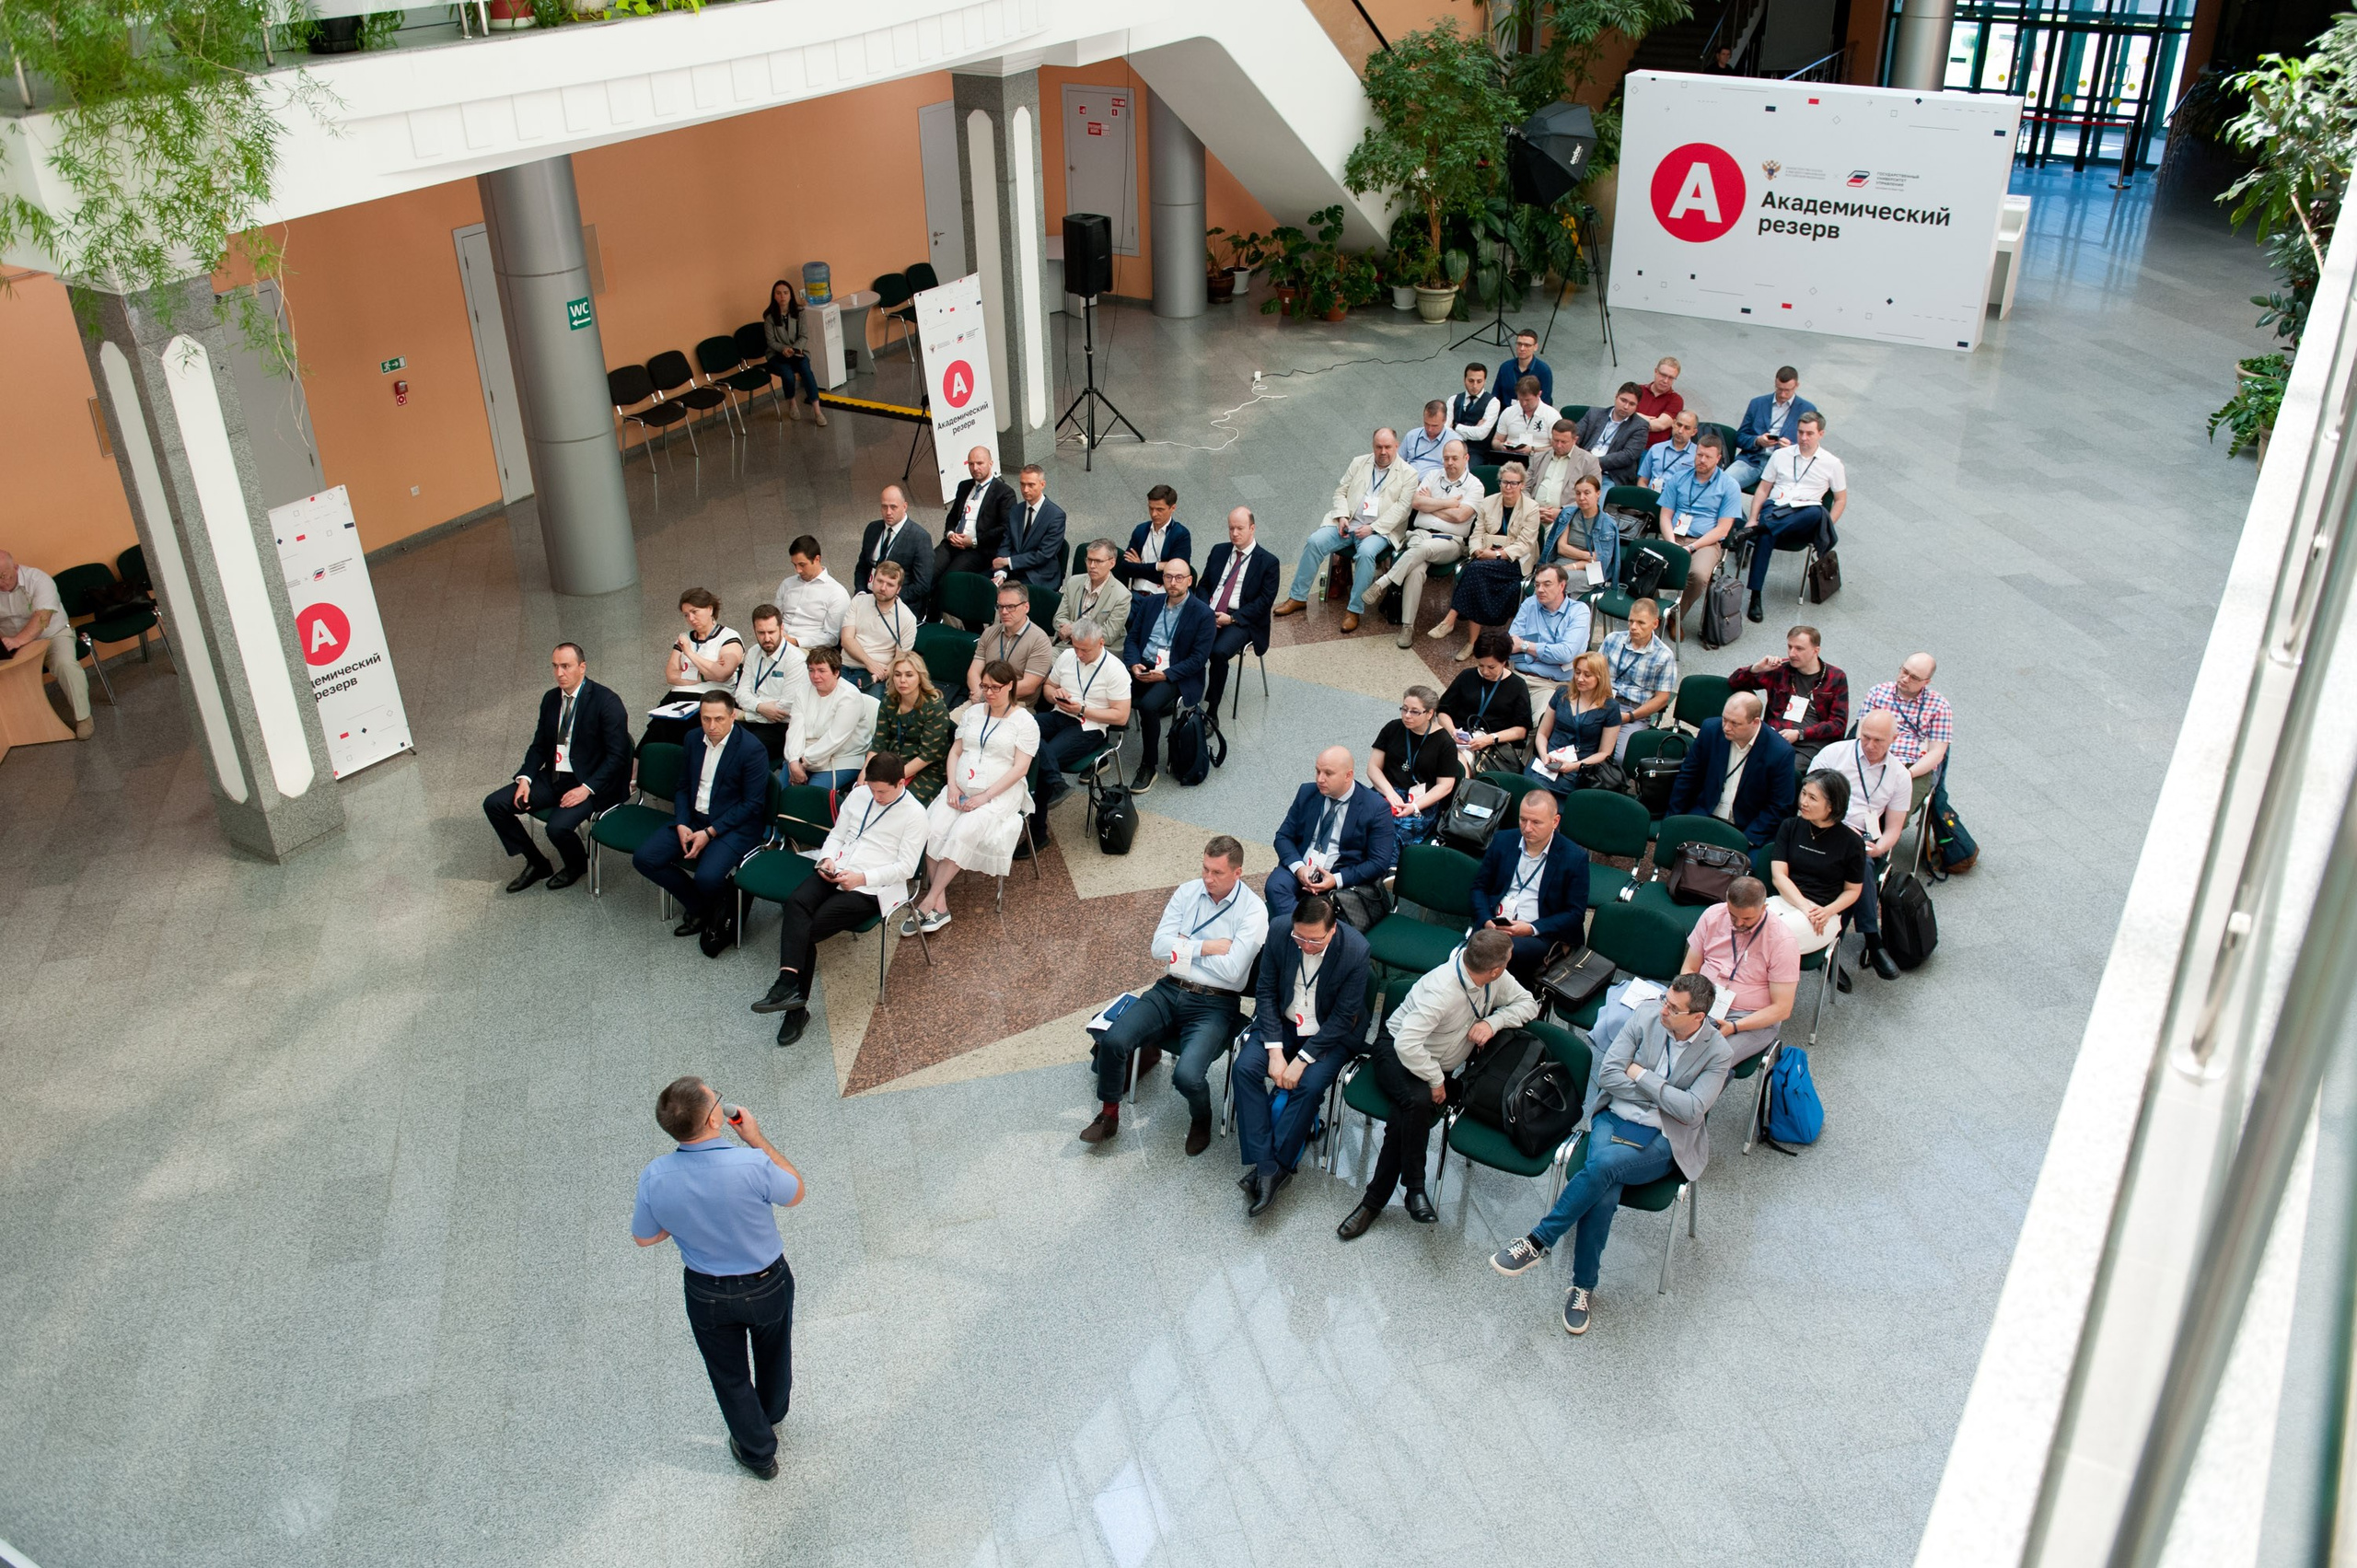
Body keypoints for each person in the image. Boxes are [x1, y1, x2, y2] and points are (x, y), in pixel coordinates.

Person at [1486, 973, 1730, 1338]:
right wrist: (1664, 1095)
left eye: (1674, 1009)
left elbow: (1692, 1111)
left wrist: (1642, 1076)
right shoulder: (1647, 1014)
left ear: (1698, 1017)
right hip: (1614, 1118)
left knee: (1603, 1166)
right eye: (1665, 1001)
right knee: (1604, 1190)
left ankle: (1538, 1242)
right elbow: (1609, 1075)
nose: (1664, 1010)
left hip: (1664, 1138)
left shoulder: (1718, 1053)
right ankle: (1582, 1287)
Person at [631, 1076, 807, 1481]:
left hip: (706, 1292)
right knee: (774, 1351)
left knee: (728, 1375)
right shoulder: (751, 1164)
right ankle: (772, 1412)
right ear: (714, 1120)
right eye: (717, 1100)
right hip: (768, 1282)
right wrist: (756, 1138)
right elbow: (795, 1192)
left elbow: (644, 1237)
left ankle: (759, 1454)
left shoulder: (655, 1176)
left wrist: (683, 1220)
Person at [1337, 927, 1539, 1237]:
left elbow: (1529, 1004)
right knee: (1417, 1100)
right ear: (1495, 968)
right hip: (1396, 1052)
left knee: (1405, 1117)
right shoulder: (1441, 990)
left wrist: (1493, 1021)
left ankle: (1375, 1202)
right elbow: (1407, 1044)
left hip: (1433, 1062)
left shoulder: (1495, 979)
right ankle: (1413, 1188)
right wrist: (1435, 1081)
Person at [1082, 837, 1269, 1153]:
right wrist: (1209, 947)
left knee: (1187, 1076)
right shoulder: (1187, 892)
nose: (1208, 878)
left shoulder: (1253, 911)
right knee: (1114, 1041)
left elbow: (1233, 971)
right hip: (1169, 990)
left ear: (1238, 873)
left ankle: (1202, 1118)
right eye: (1205, 868)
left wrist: (1182, 946)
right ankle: (1109, 1115)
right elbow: (1158, 947)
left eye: (1217, 872)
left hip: (1215, 1003)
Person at [750, 753, 929, 1046]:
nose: (876, 796)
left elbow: (906, 868)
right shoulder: (859, 795)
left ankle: (795, 1010)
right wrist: (828, 859)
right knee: (797, 903)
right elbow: (836, 835)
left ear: (901, 783)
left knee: (807, 928)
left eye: (882, 791)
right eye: (872, 789)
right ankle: (788, 982)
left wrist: (862, 878)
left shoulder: (915, 815)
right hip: (837, 870)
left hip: (872, 888)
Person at [1234, 895, 1372, 1214]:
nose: (1306, 946)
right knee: (1245, 1068)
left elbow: (1343, 1018)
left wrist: (1301, 1060)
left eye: (1315, 940)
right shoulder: (1280, 929)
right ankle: (1269, 1166)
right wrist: (1275, 1051)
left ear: (1332, 930)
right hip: (1282, 1024)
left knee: (1308, 1086)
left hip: (1330, 1033)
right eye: (1300, 937)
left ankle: (1275, 1166)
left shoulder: (1356, 949)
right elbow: (1265, 992)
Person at [1590, 876, 1796, 1063]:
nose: (1739, 923)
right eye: (1733, 916)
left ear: (1764, 908)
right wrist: (1688, 1003)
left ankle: (1672, 1092)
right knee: (1648, 1033)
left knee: (1704, 1061)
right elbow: (1690, 966)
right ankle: (1637, 1082)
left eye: (1748, 919)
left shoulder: (1782, 941)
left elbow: (1782, 1008)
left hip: (1747, 1018)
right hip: (1701, 1000)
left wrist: (1735, 1027)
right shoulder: (1714, 915)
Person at [903, 660, 1039, 932]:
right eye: (984, 686)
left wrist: (985, 797)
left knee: (962, 832)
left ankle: (928, 902)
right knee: (933, 828)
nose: (988, 692)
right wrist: (953, 786)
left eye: (995, 687)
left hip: (999, 794)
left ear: (1010, 686)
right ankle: (941, 905)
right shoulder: (974, 713)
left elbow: (1020, 768)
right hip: (961, 788)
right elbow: (955, 751)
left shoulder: (1025, 721)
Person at [484, 640, 632, 891]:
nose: (559, 673)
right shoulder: (551, 699)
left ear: (582, 667)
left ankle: (576, 865)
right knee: (494, 804)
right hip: (555, 776)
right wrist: (525, 779)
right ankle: (537, 863)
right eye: (555, 666)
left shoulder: (607, 702)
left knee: (557, 827)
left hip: (590, 781)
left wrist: (586, 788)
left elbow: (617, 757)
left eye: (566, 666)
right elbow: (540, 745)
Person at [633, 691, 771, 954]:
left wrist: (709, 832)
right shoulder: (693, 738)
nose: (712, 726)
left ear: (733, 716)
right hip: (694, 818)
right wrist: (683, 823)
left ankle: (715, 907)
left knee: (707, 878)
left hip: (732, 826)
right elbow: (684, 786)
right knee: (645, 859)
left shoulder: (752, 750)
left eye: (719, 719)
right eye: (706, 719)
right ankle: (701, 908)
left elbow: (752, 805)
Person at [1271, 428, 1417, 633]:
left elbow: (1402, 510)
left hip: (1380, 530)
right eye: (1378, 447)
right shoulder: (1359, 462)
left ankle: (1354, 610)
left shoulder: (1409, 474)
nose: (1383, 452)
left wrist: (1373, 528)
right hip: (1350, 523)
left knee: (1365, 553)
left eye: (1388, 447)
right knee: (1314, 541)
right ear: (1373, 446)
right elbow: (1341, 491)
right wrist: (1342, 516)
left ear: (1397, 446)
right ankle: (1298, 597)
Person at [1814, 710, 1910, 981]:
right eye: (1865, 737)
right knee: (1861, 863)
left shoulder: (1900, 776)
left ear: (1894, 739)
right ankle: (1873, 940)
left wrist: (1880, 848)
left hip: (1865, 842)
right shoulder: (1834, 755)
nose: (1870, 745)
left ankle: (1830, 951)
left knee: (1861, 861)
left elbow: (1893, 829)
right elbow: (1809, 803)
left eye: (1879, 740)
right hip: (1824, 830)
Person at [1469, 790, 1591, 986]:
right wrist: (1486, 920)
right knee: (1484, 949)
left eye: (1536, 822)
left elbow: (1575, 913)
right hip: (1495, 922)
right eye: (1523, 820)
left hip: (1540, 932)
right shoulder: (1503, 841)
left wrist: (1531, 928)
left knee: (1498, 953)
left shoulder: (1574, 857)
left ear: (1555, 821)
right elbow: (1479, 888)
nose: (1527, 828)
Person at [1266, 745, 1399, 923]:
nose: (1320, 779)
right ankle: (1304, 931)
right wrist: (1299, 869)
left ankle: (1297, 930)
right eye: (1318, 771)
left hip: (1339, 875)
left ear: (1348, 775)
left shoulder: (1376, 807)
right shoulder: (1307, 792)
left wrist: (1335, 880)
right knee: (1275, 886)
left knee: (1321, 908)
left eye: (1328, 773)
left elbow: (1378, 862)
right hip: (1303, 866)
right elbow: (1283, 836)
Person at [1736, 410, 1849, 619]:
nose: (1804, 438)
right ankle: (1756, 597)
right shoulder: (1781, 455)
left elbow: (1840, 499)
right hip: (1777, 507)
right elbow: (1763, 489)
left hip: (1806, 515)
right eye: (1800, 432)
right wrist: (1752, 518)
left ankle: (1758, 529)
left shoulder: (1832, 463)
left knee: (1816, 512)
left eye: (1809, 433)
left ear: (1821, 434)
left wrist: (1827, 524)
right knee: (1767, 534)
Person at [1028, 618, 1132, 839]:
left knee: (1041, 756)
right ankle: (1056, 783)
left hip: (1090, 726)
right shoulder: (1068, 656)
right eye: (1075, 647)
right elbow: (1048, 687)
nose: (1079, 654)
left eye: (1085, 650)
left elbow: (1121, 716)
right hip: (1060, 714)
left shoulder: (1115, 670)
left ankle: (1038, 834)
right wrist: (1055, 695)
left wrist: (1082, 709)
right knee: (1021, 727)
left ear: (1101, 643)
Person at [1376, 438, 1483, 648]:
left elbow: (1461, 516)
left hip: (1450, 542)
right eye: (1446, 458)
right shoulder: (1433, 475)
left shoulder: (1475, 486)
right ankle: (1407, 627)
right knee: (1416, 572)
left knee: (1423, 548)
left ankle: (1385, 580)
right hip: (1421, 534)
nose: (1449, 463)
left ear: (1466, 458)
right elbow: (1417, 502)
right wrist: (1448, 504)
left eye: (1455, 458)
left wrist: (1431, 504)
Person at [1122, 558, 1215, 793]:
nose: (1173, 582)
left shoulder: (1203, 614)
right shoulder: (1150, 603)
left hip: (1177, 672)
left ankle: (1149, 765)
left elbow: (1198, 660)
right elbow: (1132, 638)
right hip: (1143, 665)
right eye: (1168, 577)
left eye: (1179, 577)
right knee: (1106, 688)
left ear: (1189, 581)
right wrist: (1133, 664)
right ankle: (1099, 752)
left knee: (1148, 706)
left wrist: (1165, 675)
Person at [1430, 461, 1540, 657]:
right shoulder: (1488, 502)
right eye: (1504, 482)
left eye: (1514, 483)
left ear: (1522, 485)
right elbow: (1476, 533)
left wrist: (1496, 555)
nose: (1508, 487)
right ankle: (1471, 642)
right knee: (1477, 576)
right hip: (1485, 559)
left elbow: (1525, 544)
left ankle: (1452, 621)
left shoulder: (1531, 508)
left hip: (1515, 562)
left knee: (1474, 571)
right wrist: (1477, 551)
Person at [1666, 691, 1797, 845]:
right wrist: (1672, 819)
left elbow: (1779, 805)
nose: (1726, 727)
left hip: (1747, 828)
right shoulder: (1711, 730)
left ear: (1755, 722)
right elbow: (1687, 776)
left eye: (1735, 723)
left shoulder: (1780, 752)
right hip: (1704, 814)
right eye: (1724, 719)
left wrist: (1746, 840)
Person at [1771, 771, 1870, 968]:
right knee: (1741, 924)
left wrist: (1826, 911)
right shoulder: (1790, 826)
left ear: (1832, 805)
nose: (1804, 802)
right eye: (1803, 793)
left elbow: (1853, 890)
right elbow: (1778, 876)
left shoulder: (1852, 843)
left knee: (1769, 938)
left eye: (1812, 798)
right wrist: (1804, 907)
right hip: (1787, 901)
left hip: (1824, 914)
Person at [1655, 431, 1747, 638]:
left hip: (1706, 542)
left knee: (1698, 575)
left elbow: (1723, 529)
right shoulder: (1679, 478)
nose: (1702, 460)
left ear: (1718, 458)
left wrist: (1691, 548)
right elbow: (1665, 516)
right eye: (1699, 455)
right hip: (1674, 536)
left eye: (1707, 457)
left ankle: (1675, 615)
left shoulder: (1729, 486)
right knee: (1648, 564)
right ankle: (1656, 612)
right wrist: (1671, 543)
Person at [1194, 505, 1278, 715]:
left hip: (1241, 620)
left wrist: (1231, 619)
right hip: (1210, 612)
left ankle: (1212, 711)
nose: (1234, 533)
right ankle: (1181, 693)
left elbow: (1264, 602)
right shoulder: (1219, 551)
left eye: (1240, 528)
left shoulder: (1268, 562)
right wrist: (1205, 611)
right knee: (1185, 640)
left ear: (1252, 528)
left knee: (1218, 652)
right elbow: (1203, 585)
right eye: (1231, 528)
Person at [1728, 623, 1849, 764]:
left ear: (1816, 651)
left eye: (1799, 649)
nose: (1792, 653)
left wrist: (1800, 734)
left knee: (1782, 767)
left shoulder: (1835, 677)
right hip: (1776, 737)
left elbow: (1838, 723)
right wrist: (1756, 668)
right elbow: (1734, 682)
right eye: (1790, 647)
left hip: (1811, 743)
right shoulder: (1780, 669)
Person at [0, 551, 88, 739]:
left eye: (3, 576)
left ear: (15, 567)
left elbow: (43, 618)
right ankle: (13, 731)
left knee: (65, 665)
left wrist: (18, 640)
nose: (1, 583)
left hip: (52, 635)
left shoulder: (38, 579)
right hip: (12, 644)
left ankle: (83, 718)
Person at [1860, 652, 1954, 819]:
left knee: (1893, 817)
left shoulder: (1940, 706)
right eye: (1904, 671)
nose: (1905, 679)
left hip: (1913, 766)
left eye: (1914, 678)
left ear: (1926, 682)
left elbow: (1937, 753)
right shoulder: (1878, 692)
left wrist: (1907, 775)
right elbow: (1862, 732)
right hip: (1874, 755)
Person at [647, 587, 744, 749]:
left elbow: (722, 675)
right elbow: (671, 675)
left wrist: (689, 653)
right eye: (686, 615)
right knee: (657, 729)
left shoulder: (728, 637)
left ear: (710, 609)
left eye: (694, 612)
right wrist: (705, 675)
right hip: (678, 696)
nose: (691, 619)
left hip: (711, 697)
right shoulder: (685, 637)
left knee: (689, 731)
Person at [1369, 684, 1463, 843]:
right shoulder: (1393, 728)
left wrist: (1414, 806)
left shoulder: (1445, 743)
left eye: (1414, 712)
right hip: (1386, 791)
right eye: (1404, 709)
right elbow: (1373, 767)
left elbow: (1445, 786)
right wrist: (1390, 793)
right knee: (1359, 820)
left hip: (1422, 801)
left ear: (1430, 713)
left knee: (1389, 835)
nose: (1407, 715)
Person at [782, 646, 877, 794]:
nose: (815, 676)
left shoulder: (850, 697)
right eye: (811, 670)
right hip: (803, 754)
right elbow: (795, 729)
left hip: (841, 759)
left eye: (821, 671)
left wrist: (803, 761)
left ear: (836, 672)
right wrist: (794, 761)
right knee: (780, 791)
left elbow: (834, 739)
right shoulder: (802, 691)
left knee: (811, 795)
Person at [1436, 631, 1536, 773]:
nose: (1485, 671)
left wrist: (1490, 739)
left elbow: (1520, 731)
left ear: (1504, 662)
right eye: (1480, 665)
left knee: (1456, 764)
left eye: (1491, 667)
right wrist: (1453, 731)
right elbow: (1443, 711)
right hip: (1460, 739)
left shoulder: (1517, 686)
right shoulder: (1467, 676)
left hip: (1493, 745)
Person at [1528, 651, 1623, 795]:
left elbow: (1605, 752)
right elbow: (1542, 733)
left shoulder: (1610, 707)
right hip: (1549, 759)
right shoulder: (1562, 694)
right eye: (1577, 672)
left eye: (1587, 675)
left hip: (1582, 767)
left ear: (1600, 677)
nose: (1580, 678)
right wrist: (1544, 755)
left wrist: (1574, 766)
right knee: (1530, 786)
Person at [869, 652, 953, 806]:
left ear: (920, 677)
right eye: (897, 675)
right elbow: (879, 743)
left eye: (909, 675)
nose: (902, 680)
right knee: (866, 796)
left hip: (926, 769)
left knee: (898, 805)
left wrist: (893, 780)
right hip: (891, 763)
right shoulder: (889, 701)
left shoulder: (935, 708)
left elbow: (928, 755)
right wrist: (867, 774)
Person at [731, 606, 809, 761]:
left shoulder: (795, 659)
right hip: (756, 717)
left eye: (771, 632)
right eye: (761, 633)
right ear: (754, 631)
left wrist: (746, 715)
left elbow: (785, 710)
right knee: (719, 739)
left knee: (744, 751)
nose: (767, 638)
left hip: (779, 727)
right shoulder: (753, 652)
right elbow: (740, 694)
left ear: (782, 628)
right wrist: (760, 707)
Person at [1598, 598, 1678, 751]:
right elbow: (1595, 672)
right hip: (1603, 700)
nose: (1633, 627)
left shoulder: (1664, 656)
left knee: (1621, 757)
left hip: (1634, 710)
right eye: (1631, 621)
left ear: (1655, 624)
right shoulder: (1613, 639)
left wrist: (1630, 716)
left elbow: (1662, 699)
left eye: (1641, 623)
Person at [966, 580, 1055, 708]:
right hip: (981, 700)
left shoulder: (1039, 640)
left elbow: (1029, 686)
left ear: (1026, 607)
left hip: (1015, 705)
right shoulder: (989, 632)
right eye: (1000, 606)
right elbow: (974, 672)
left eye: (1011, 607)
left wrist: (988, 695)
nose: (1004, 612)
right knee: (949, 719)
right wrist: (980, 693)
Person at [1729, 366, 1819, 491]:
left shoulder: (1807, 409)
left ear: (1796, 386)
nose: (1783, 394)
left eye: (1787, 390)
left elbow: (1811, 446)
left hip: (1785, 465)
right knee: (1722, 484)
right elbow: (1739, 438)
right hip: (1753, 459)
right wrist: (1757, 441)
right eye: (1779, 389)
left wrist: (1791, 448)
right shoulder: (1757, 403)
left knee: (1789, 495)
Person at [935, 446, 1014, 587]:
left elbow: (1004, 528)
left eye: (980, 463)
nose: (975, 468)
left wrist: (974, 541)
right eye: (971, 464)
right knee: (928, 571)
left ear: (991, 463)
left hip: (977, 550)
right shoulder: (964, 486)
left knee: (948, 580)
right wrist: (950, 533)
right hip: (952, 543)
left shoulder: (1004, 493)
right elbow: (952, 516)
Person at [1507, 563, 1592, 693]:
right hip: (1517, 675)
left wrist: (1524, 646)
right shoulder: (1530, 603)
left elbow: (1565, 654)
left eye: (1547, 584)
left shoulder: (1579, 611)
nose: (1540, 590)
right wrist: (1551, 655)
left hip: (1551, 683)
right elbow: (1511, 645)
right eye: (1537, 585)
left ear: (1562, 586)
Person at [840, 561, 919, 692]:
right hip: (845, 665)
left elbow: (899, 660)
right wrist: (869, 663)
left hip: (876, 675)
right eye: (880, 581)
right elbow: (846, 640)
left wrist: (877, 676)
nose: (883, 588)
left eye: (890, 584)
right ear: (872, 580)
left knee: (871, 702)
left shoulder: (907, 618)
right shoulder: (858, 601)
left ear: (898, 589)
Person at [853, 482, 930, 613]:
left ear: (904, 507)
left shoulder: (920, 538)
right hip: (868, 596)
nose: (888, 512)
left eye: (893, 507)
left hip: (898, 604)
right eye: (884, 507)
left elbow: (921, 585)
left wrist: (888, 599)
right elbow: (862, 567)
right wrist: (861, 592)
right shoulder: (872, 529)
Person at [1537, 473, 1618, 594]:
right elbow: (1562, 549)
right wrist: (1588, 556)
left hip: (1589, 570)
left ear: (1598, 494)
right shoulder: (1568, 514)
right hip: (1561, 562)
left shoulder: (1607, 524)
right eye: (1578, 493)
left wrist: (1571, 567)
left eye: (1587, 493)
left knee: (1555, 581)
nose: (1581, 498)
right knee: (1546, 579)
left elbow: (1600, 561)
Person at [761, 280, 826, 424]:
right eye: (778, 293)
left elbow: (804, 335)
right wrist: (784, 349)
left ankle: (817, 411)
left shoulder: (800, 312)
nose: (782, 296)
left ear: (790, 295)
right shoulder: (769, 317)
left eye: (785, 293)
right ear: (774, 296)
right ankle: (792, 403)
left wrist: (794, 349)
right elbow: (771, 342)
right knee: (788, 375)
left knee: (806, 370)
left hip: (797, 351)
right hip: (777, 354)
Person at [994, 463, 1068, 587]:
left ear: (1042, 484)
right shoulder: (1015, 510)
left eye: (1031, 485)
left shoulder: (1056, 516)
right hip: (1013, 570)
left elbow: (1043, 555)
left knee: (1011, 595)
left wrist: (1008, 561)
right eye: (1022, 484)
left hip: (1038, 575)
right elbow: (1006, 543)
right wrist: (1001, 573)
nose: (1025, 490)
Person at [772, 536, 848, 653]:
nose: (798, 570)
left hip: (809, 649)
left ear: (817, 559)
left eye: (802, 565)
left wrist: (795, 641)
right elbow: (774, 618)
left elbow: (831, 637)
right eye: (794, 565)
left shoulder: (837, 593)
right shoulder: (787, 584)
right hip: (779, 642)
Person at [1054, 538, 1132, 650]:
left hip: (1099, 650)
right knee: (1042, 659)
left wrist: (1073, 628)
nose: (1092, 566)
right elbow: (1059, 618)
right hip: (1067, 645)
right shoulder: (1073, 582)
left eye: (1098, 561)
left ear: (1112, 563)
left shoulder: (1122, 595)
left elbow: (1108, 635)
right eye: (1089, 560)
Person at [1573, 381, 1651, 485]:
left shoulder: (1640, 426)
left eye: (1632, 404)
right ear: (1616, 396)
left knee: (1600, 496)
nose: (1626, 407)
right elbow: (1574, 437)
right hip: (1581, 468)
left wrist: (1592, 462)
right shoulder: (1594, 414)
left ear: (1637, 406)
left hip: (1610, 475)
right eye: (1623, 400)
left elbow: (1628, 456)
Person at [1524, 418, 1603, 517]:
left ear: (1575, 440)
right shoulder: (1538, 457)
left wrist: (1563, 512)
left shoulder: (1589, 461)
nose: (1559, 445)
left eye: (1564, 442)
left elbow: (1592, 496)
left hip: (1569, 517)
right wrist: (1533, 508)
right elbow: (1524, 488)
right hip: (1534, 514)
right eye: (1555, 440)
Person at [1119, 484, 1191, 588]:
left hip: (1162, 595)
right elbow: (1125, 568)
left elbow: (1174, 576)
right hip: (1136, 593)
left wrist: (1140, 566)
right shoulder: (1140, 530)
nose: (1154, 514)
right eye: (1151, 508)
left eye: (1159, 509)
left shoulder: (1181, 534)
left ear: (1173, 508)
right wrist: (1158, 566)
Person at [1490, 377, 1562, 464]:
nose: (1524, 404)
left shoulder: (1552, 415)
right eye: (1520, 399)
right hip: (1510, 460)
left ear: (1539, 394)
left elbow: (1557, 448)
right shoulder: (1508, 412)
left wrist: (1532, 450)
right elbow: (1496, 441)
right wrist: (1502, 446)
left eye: (1528, 400)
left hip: (1540, 460)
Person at [1446, 363, 1501, 461]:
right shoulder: (1453, 399)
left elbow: (1481, 434)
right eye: (1471, 381)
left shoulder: (1493, 402)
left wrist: (1455, 426)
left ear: (1485, 381)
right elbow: (1445, 429)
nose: (1475, 386)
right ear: (1464, 380)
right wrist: (1474, 429)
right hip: (1452, 447)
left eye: (1479, 381)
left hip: (1476, 452)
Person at [1637, 410, 1701, 490]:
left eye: (1687, 428)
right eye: (1679, 425)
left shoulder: (1698, 455)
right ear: (1673, 423)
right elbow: (1642, 481)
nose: (1680, 431)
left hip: (1678, 496)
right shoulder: (1656, 449)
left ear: (1694, 432)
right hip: (1652, 494)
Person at [1495, 329, 1553, 407]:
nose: (1522, 348)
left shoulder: (1544, 371)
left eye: (1527, 345)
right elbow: (1496, 395)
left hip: (1531, 412)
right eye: (1519, 344)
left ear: (1535, 347)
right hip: (1506, 411)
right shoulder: (1505, 367)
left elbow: (1545, 401)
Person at [1635, 355, 1684, 444]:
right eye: (1663, 375)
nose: (1665, 381)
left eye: (1671, 378)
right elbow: (1620, 414)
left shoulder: (1676, 400)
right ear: (1656, 371)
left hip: (1652, 449)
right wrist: (1643, 418)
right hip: (1625, 442)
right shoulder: (1637, 390)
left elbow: (1660, 425)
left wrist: (1633, 416)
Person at [1400, 400, 1452, 479]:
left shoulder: (1454, 441)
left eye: (1434, 426)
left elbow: (1460, 473)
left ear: (1444, 420)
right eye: (1426, 424)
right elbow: (1397, 462)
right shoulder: (1412, 435)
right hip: (1407, 480)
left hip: (1435, 483)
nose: (1430, 429)